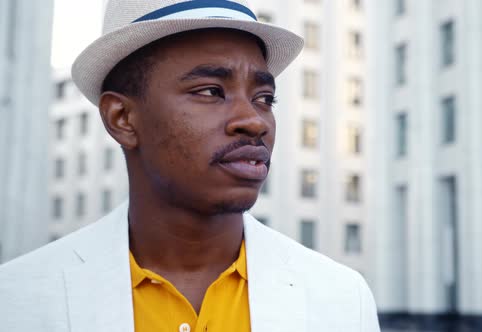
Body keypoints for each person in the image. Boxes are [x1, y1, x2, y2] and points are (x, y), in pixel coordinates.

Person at [0, 0, 380, 331]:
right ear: (122, 118)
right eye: (211, 92)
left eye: (265, 97)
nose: (255, 121)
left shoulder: (341, 299)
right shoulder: (19, 300)